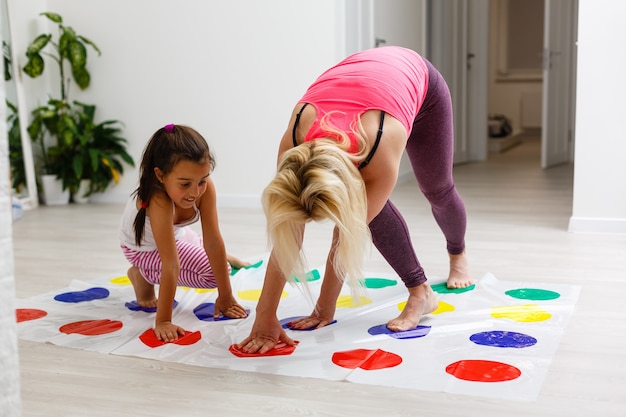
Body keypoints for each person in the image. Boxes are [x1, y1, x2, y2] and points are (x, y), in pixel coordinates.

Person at [238, 46, 472, 354]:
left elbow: (348, 231)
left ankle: (440, 272)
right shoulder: (293, 142)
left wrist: (324, 307)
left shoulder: (379, 147)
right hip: (368, 85)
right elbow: (287, 237)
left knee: (436, 189)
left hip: (419, 85)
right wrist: (265, 316)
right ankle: (422, 290)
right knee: (366, 209)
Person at [119, 124, 248, 343]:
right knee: (212, 273)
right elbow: (171, 263)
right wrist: (163, 321)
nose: (195, 191)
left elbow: (214, 241)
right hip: (144, 250)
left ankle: (206, 255)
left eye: (202, 180)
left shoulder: (205, 188)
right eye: (185, 184)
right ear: (160, 175)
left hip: (178, 234)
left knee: (219, 265)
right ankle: (140, 274)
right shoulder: (158, 199)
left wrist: (226, 297)